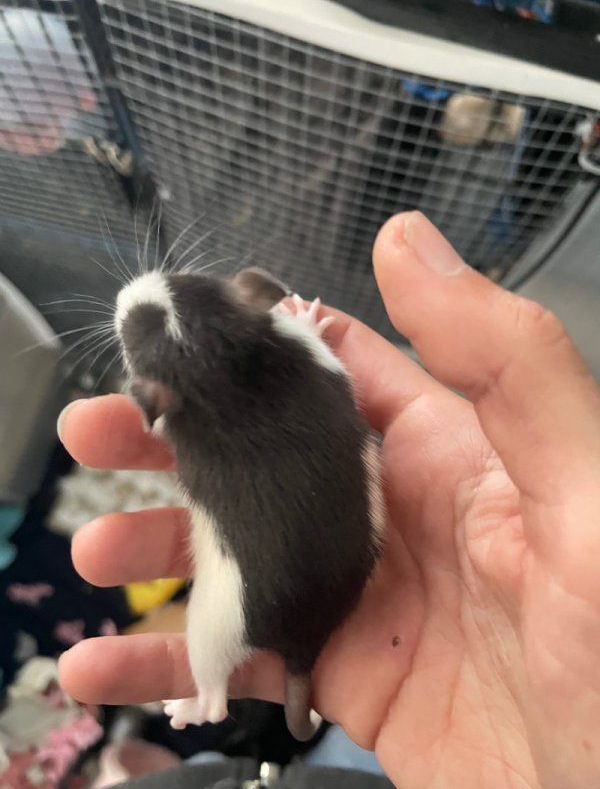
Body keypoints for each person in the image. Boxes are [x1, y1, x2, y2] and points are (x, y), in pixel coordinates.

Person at [56, 212, 600, 789]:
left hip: (327, 583)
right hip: (343, 572)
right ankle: (235, 685)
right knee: (241, 581)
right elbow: (328, 371)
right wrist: (304, 327)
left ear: (156, 400)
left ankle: (211, 691)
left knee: (224, 602)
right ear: (252, 294)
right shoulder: (291, 344)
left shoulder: (183, 417)